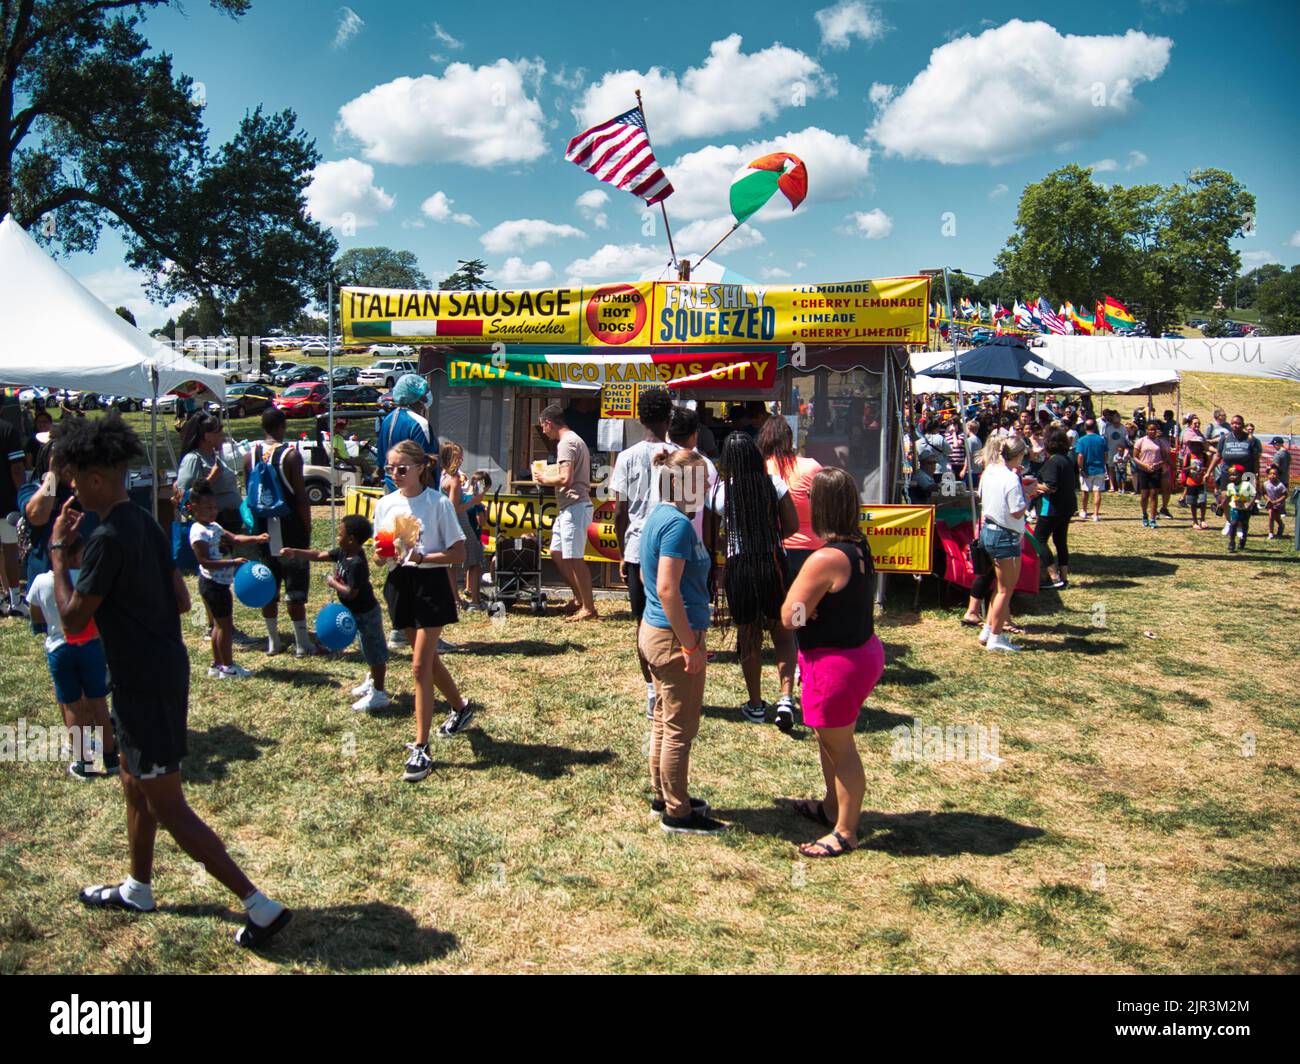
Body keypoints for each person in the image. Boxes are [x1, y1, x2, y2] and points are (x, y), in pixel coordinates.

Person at [48, 415, 290, 947]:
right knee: (134, 783)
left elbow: (71, 621)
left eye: (71, 478)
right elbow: (182, 602)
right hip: (161, 669)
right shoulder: (143, 521)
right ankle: (138, 887)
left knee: (166, 803)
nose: (68, 488)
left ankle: (259, 905)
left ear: (92, 479)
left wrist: (60, 558)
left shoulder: (107, 538)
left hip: (142, 681)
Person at [780, 467, 883, 858]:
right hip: (859, 653)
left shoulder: (824, 558)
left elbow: (791, 616)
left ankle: (845, 830)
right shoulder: (858, 545)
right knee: (831, 741)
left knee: (841, 750)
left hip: (835, 664)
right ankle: (830, 807)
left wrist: (808, 612)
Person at [374, 439, 473, 783]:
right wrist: (383, 553)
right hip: (399, 585)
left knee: (418, 666)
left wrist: (423, 557)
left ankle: (421, 747)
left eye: (402, 468)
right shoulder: (385, 504)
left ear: (420, 469)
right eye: (390, 469)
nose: (395, 474)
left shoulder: (438, 504)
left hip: (430, 587)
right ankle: (461, 708)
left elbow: (459, 553)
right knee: (428, 661)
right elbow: (380, 553)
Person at [639, 448, 723, 835]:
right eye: (702, 479)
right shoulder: (677, 525)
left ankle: (664, 794)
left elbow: (651, 582)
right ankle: (677, 810)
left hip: (657, 632)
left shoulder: (660, 516)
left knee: (663, 721)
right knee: (679, 728)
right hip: (673, 637)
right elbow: (667, 588)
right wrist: (690, 644)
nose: (707, 485)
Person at [706, 432, 800, 728]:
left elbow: (710, 538)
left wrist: (729, 544)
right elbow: (793, 526)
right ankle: (786, 698)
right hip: (773, 563)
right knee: (783, 634)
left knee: (748, 638)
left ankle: (756, 704)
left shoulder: (720, 493)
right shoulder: (773, 484)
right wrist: (768, 538)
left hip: (740, 567)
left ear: (728, 462)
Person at [27, 536, 119, 779]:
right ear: (79, 556)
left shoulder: (40, 581)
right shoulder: (88, 580)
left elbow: (36, 617)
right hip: (90, 646)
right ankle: (111, 758)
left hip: (59, 647)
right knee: (99, 702)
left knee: (72, 705)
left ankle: (84, 762)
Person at [281, 514, 391, 712]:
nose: (337, 536)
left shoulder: (357, 563)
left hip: (366, 614)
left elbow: (351, 592)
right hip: (354, 613)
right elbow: (319, 555)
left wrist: (333, 583)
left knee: (375, 652)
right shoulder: (343, 552)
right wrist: (295, 552)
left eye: (340, 533)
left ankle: (380, 693)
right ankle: (373, 681)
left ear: (351, 539)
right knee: (366, 648)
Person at [611, 387, 674, 719]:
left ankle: (652, 691)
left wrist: (623, 551)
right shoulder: (682, 456)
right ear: (669, 418)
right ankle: (666, 688)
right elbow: (690, 511)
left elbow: (619, 512)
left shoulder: (626, 457)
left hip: (637, 547)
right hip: (673, 549)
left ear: (640, 417)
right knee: (672, 620)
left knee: (642, 622)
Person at [242, 408, 318, 657]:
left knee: (268, 584)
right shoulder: (291, 456)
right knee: (295, 587)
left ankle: (273, 641)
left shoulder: (249, 455)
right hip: (290, 527)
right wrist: (307, 528)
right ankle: (301, 642)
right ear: (282, 426)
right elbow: (301, 497)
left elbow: (249, 494)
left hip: (262, 527)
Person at [188, 482, 267, 679]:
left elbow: (236, 539)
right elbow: (205, 562)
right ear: (195, 507)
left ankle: (217, 665)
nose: (213, 511)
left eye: (215, 507)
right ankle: (229, 667)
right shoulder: (198, 532)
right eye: (208, 507)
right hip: (212, 585)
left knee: (218, 625)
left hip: (220, 584)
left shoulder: (214, 526)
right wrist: (233, 562)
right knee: (224, 626)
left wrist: (257, 538)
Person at [534, 403, 597, 621]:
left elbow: (565, 478)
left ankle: (588, 607)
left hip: (575, 505)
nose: (543, 431)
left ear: (549, 423)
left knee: (574, 558)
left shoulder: (566, 443)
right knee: (557, 553)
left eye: (543, 426)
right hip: (569, 506)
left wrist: (543, 478)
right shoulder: (572, 441)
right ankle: (579, 598)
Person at [976, 432, 1028, 652]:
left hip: (989, 529)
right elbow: (1017, 512)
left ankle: (989, 628)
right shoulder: (1010, 478)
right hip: (1005, 534)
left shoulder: (990, 471)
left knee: (1000, 586)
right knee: (1006, 589)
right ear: (1019, 455)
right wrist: (1030, 495)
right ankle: (996, 637)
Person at [439, 442, 487, 610]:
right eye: (458, 457)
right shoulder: (453, 480)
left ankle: (456, 600)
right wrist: (474, 501)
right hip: (460, 522)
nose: (461, 461)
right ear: (450, 459)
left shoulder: (443, 476)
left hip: (447, 524)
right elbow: (453, 508)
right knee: (474, 560)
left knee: (452, 564)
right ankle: (474, 601)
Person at [175, 413, 241, 531]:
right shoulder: (194, 459)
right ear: (208, 437)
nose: (224, 437)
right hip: (210, 527)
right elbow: (184, 496)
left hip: (226, 523)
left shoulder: (213, 457)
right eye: (220, 434)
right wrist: (212, 477)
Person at [377, 374, 437, 493]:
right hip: (413, 491)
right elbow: (425, 463)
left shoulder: (387, 420)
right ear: (418, 398)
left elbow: (380, 458)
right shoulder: (419, 424)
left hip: (390, 487)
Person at [1032, 427, 1076, 590]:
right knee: (1060, 540)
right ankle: (1063, 576)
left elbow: (1051, 487)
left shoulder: (1053, 461)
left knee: (1039, 539)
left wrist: (1032, 485)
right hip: (1067, 506)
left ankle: (1054, 577)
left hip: (1052, 507)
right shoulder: (1066, 459)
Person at [0, 411, 26, 617]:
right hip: (6, 501)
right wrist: (23, 495)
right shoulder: (8, 430)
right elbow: (17, 468)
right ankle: (15, 599)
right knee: (10, 551)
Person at [1132, 420, 1167, 528]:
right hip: (1143, 470)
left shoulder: (1160, 442)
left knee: (1154, 494)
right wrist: (1144, 465)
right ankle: (1144, 514)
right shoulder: (1141, 441)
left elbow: (1165, 457)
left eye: (1154, 430)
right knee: (1144, 495)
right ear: (1146, 430)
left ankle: (1153, 517)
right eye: (1150, 429)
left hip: (1155, 470)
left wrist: (1158, 464)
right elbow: (1135, 457)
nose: (1152, 432)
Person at [1075, 419, 1108, 522]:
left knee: (1085, 491)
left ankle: (1084, 511)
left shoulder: (1081, 440)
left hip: (1086, 469)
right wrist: (1103, 463)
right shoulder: (1101, 439)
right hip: (1099, 469)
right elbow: (1106, 454)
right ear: (1095, 427)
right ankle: (1095, 514)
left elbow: (1080, 456)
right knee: (1097, 491)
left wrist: (1080, 468)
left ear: (1085, 427)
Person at [1223, 465, 1255, 553]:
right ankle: (1232, 542)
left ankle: (1243, 538)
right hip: (1235, 508)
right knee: (1233, 523)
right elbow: (1228, 496)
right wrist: (1221, 504)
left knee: (1244, 524)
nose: (1232, 477)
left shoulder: (1247, 484)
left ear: (1241, 475)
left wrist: (1250, 503)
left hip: (1245, 509)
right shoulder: (1230, 486)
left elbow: (1254, 494)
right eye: (1231, 475)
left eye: (1235, 474)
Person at [1180, 439, 1210, 531]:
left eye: (1197, 445)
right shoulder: (1188, 456)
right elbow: (1183, 468)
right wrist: (1191, 467)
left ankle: (1202, 519)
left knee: (1202, 501)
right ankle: (1194, 521)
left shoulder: (1204, 456)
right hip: (1191, 482)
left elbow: (1208, 467)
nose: (1195, 447)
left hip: (1201, 482)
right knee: (1193, 502)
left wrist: (1204, 470)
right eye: (1193, 445)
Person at [1262, 464, 1287, 540]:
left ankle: (1281, 525)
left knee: (1277, 518)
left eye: (1275, 474)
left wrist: (1276, 501)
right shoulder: (1265, 484)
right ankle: (1271, 533)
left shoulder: (1280, 485)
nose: (1272, 475)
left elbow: (1285, 495)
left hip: (1279, 505)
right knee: (1270, 517)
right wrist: (1267, 499)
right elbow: (1264, 493)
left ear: (1278, 475)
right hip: (1270, 504)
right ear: (1268, 475)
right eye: (1271, 474)